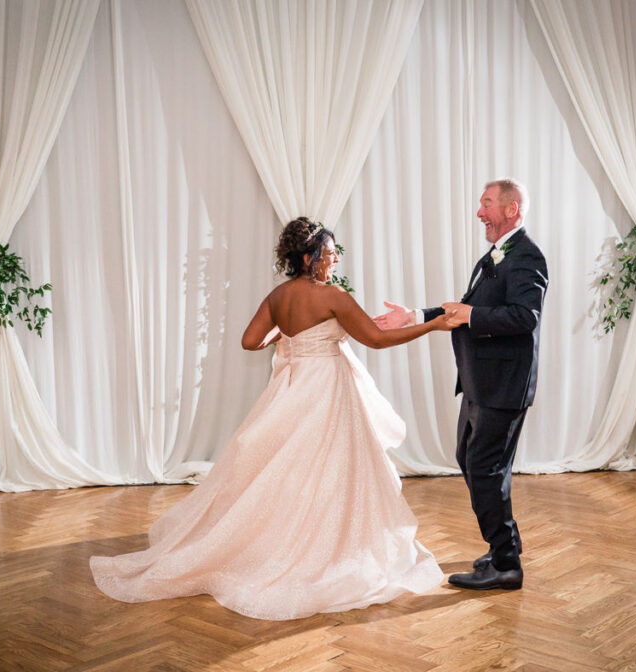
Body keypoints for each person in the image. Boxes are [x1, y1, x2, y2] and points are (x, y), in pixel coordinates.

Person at [90, 217, 459, 620]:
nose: (335, 262)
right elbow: (376, 339)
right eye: (330, 255)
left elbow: (250, 341)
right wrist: (432, 324)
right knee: (330, 469)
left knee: (289, 469)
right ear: (309, 257)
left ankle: (284, 540)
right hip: (329, 390)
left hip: (294, 388)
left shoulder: (278, 296)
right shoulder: (331, 295)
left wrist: (286, 336)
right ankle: (325, 547)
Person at [375, 179, 548, 591]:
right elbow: (466, 306)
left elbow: (525, 317)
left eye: (486, 204)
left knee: (484, 469)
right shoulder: (495, 256)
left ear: (512, 209)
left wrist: (469, 317)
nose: (479, 212)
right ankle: (504, 547)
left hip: (502, 385)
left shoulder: (527, 256)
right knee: (473, 462)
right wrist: (416, 314)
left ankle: (506, 565)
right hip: (480, 383)